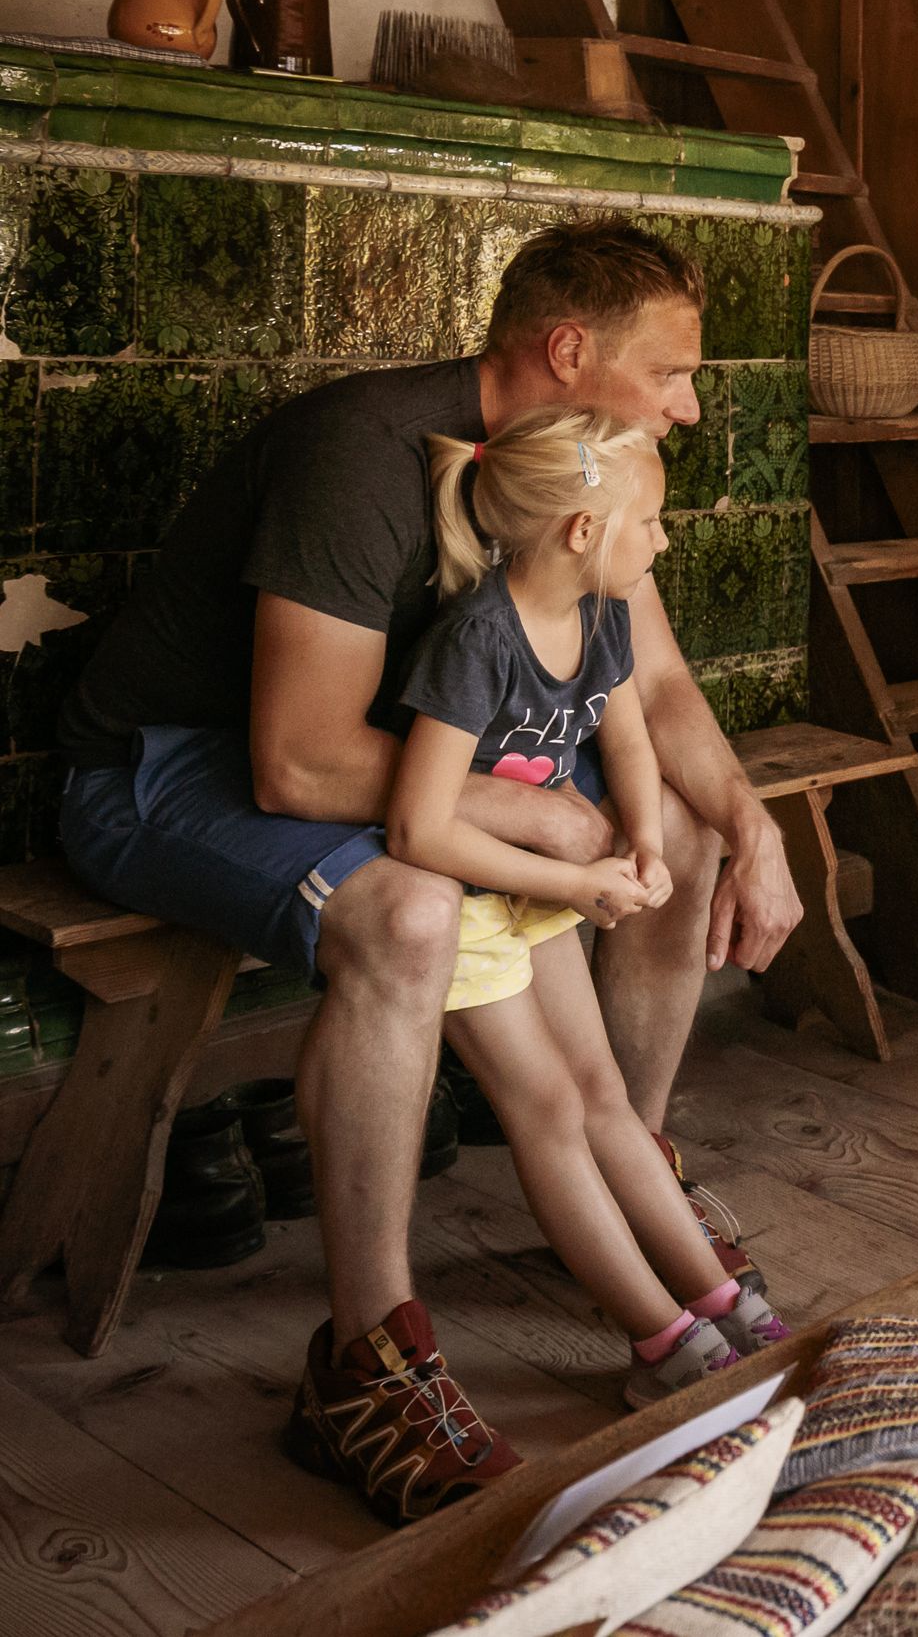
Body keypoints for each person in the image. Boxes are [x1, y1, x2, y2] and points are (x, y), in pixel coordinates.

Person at [56, 219, 804, 1525]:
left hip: (377, 757)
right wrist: (541, 826)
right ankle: (365, 1363)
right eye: (673, 373)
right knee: (412, 907)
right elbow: (293, 759)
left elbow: (655, 679)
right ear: (570, 352)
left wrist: (752, 821)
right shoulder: (371, 452)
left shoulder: (590, 475)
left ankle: (627, 1182)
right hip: (171, 763)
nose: (688, 406)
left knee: (667, 833)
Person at [389, 408, 790, 1410]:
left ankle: (716, 1296)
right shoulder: (476, 640)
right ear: (580, 530)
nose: (663, 539)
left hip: (538, 889)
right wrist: (577, 883)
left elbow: (627, 744)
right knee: (553, 1111)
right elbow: (418, 827)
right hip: (472, 900)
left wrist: (646, 840)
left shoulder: (602, 616)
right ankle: (659, 1340)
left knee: (605, 1096)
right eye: (649, 521)